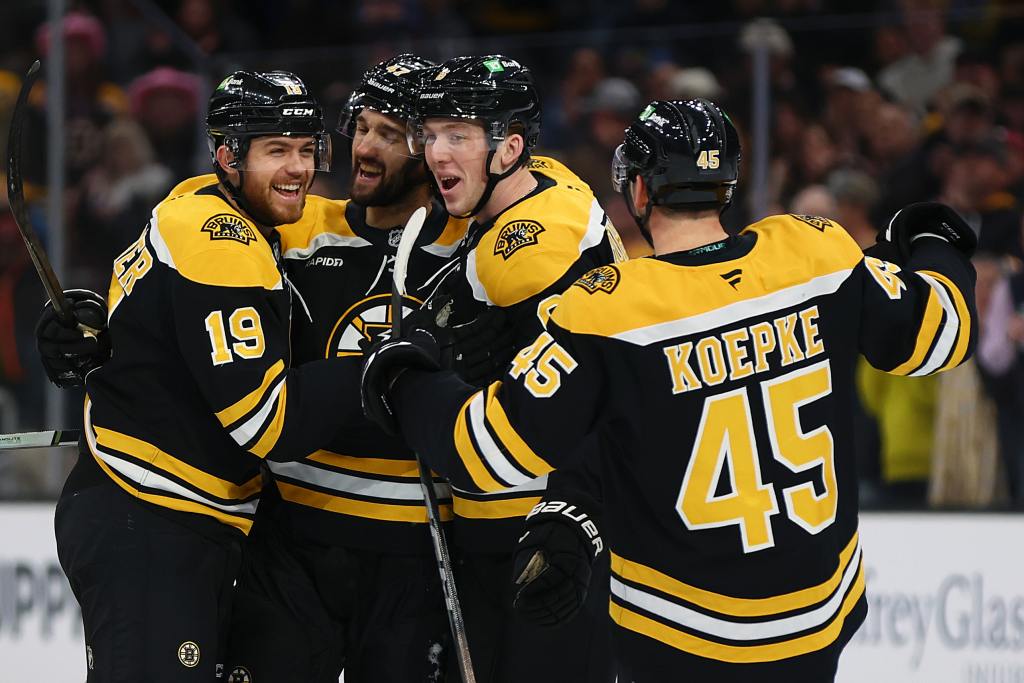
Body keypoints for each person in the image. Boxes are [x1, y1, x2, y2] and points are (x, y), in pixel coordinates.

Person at [361, 98, 979, 681]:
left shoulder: (610, 309)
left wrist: (407, 375)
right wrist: (933, 244)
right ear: (728, 185)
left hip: (680, 633)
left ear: (637, 189)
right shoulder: (816, 254)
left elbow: (484, 453)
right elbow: (942, 333)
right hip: (819, 621)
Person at [38, 70, 364, 682]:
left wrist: (91, 328)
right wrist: (375, 370)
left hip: (170, 517)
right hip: (148, 514)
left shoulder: (194, 201)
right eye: (276, 151)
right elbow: (265, 422)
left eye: (304, 149)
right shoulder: (218, 242)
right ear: (227, 155)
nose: (296, 168)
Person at [222, 54, 475, 683]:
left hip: (414, 553)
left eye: (388, 135)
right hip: (292, 538)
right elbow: (187, 268)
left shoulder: (476, 256)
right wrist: (105, 329)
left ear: (431, 152)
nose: (363, 147)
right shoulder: (296, 229)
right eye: (360, 127)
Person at [402, 53, 626, 682]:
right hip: (517, 521)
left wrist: (574, 521)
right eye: (433, 134)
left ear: (509, 148)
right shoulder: (545, 180)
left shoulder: (531, 248)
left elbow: (586, 401)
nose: (437, 154)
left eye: (459, 136)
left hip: (542, 532)